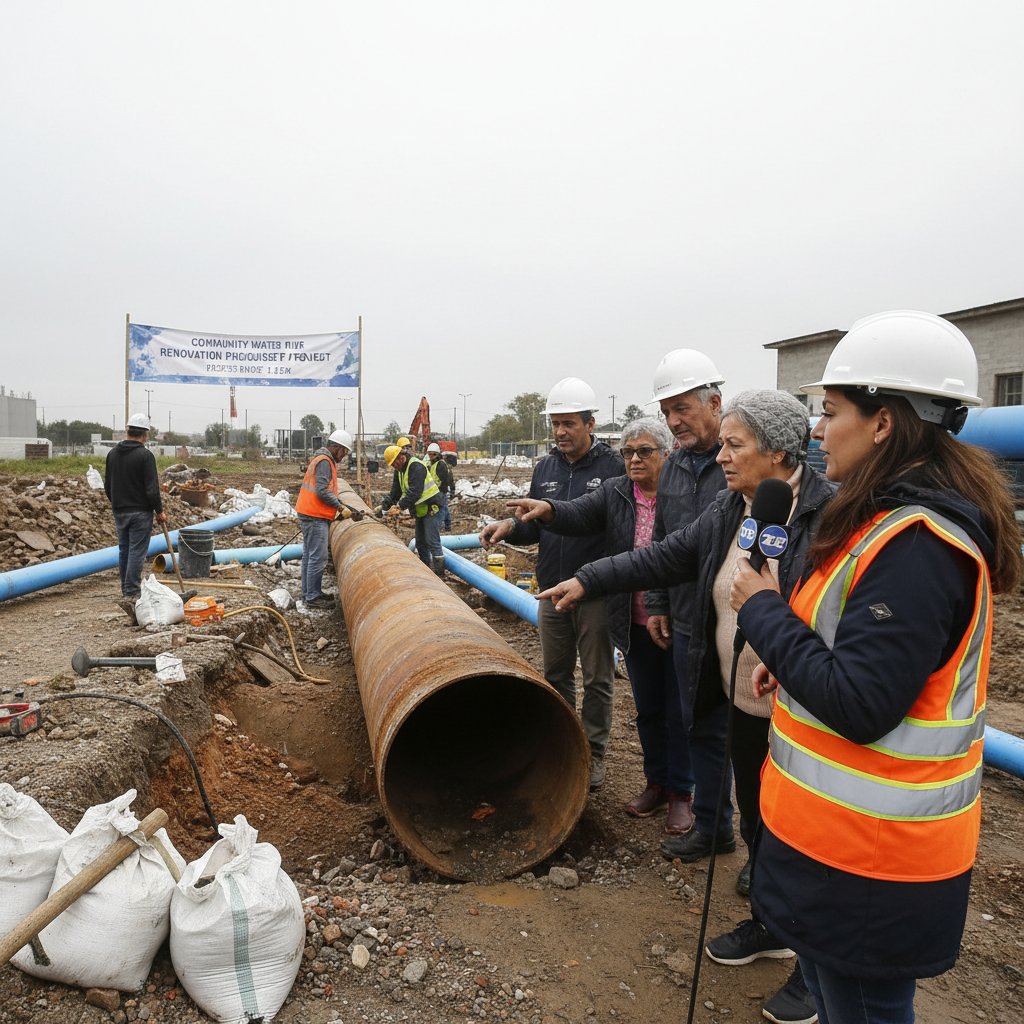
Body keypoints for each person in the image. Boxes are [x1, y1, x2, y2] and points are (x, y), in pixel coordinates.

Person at [730, 311, 1021, 1023]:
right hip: (842, 853)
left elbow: (862, 703)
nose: (819, 431)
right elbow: (852, 654)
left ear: (884, 421)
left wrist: (764, 615)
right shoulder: (886, 519)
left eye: (831, 412)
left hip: (875, 866)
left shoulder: (918, 544)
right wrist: (792, 662)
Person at [537, 389, 832, 1024]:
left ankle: (815, 971)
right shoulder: (735, 507)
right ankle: (771, 925)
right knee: (756, 816)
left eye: (735, 445)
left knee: (805, 832)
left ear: (780, 450)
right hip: (741, 691)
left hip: (806, 703)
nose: (719, 456)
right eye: (721, 443)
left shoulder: (828, 515)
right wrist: (591, 578)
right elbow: (667, 555)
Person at [506, 417, 695, 833]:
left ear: (667, 454)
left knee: (679, 710)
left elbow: (676, 555)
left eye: (645, 451)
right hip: (632, 616)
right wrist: (548, 509)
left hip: (677, 618)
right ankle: (656, 783)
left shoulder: (683, 496)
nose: (634, 459)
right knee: (648, 709)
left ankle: (682, 793)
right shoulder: (617, 492)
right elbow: (577, 514)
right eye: (628, 452)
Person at [480, 377, 623, 789]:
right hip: (549, 588)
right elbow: (535, 526)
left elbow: (612, 526)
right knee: (555, 673)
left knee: (598, 677)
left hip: (594, 590)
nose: (560, 432)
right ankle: (563, 744)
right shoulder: (545, 467)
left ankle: (593, 752)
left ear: (590, 423)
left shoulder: (612, 467)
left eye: (569, 424)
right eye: (555, 424)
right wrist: (509, 526)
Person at [644, 350, 734, 860]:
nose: (673, 421)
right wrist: (656, 600)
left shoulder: (746, 455)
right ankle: (713, 828)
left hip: (741, 621)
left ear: (715, 402)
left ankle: (762, 853)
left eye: (682, 409)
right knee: (698, 725)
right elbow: (661, 537)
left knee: (749, 739)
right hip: (683, 619)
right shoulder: (675, 465)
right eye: (667, 412)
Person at [104, 412, 166, 619]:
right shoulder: (145, 456)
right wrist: (159, 511)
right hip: (140, 511)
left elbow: (108, 486)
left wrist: (118, 504)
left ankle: (126, 589)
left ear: (128, 431)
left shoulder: (112, 454)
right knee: (137, 551)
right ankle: (131, 592)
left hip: (120, 510)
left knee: (124, 550)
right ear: (145, 434)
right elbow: (151, 489)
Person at [295, 429, 352, 609]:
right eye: (344, 451)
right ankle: (312, 597)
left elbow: (325, 490)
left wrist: (341, 504)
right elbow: (321, 490)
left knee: (309, 556)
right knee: (317, 557)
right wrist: (340, 507)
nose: (344, 456)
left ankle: (310, 593)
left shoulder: (322, 459)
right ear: (336, 447)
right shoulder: (325, 462)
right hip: (314, 516)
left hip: (310, 513)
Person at [381, 442, 445, 575]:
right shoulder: (399, 471)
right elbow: (395, 492)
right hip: (420, 510)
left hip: (431, 507)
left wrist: (399, 506)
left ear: (400, 457)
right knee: (420, 543)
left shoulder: (416, 466)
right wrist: (384, 506)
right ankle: (426, 571)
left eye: (394, 463)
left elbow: (415, 492)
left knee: (432, 541)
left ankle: (440, 575)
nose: (394, 466)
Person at [426, 442, 455, 531]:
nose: (431, 456)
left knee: (440, 510)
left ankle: (440, 526)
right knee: (445, 507)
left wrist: (443, 491)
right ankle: (447, 526)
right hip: (436, 490)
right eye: (429, 454)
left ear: (437, 454)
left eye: (433, 454)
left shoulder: (440, 464)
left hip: (440, 491)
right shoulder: (432, 464)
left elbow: (446, 479)